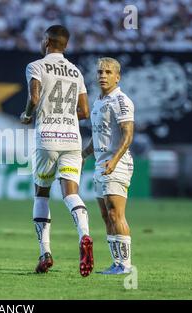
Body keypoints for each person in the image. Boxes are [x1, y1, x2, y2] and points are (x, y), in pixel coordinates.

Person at [20, 25, 93, 277]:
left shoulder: (36, 66)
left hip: (47, 138)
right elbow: (84, 111)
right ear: (66, 45)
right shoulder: (76, 71)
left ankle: (45, 253)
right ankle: (85, 235)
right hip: (73, 139)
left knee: (41, 193)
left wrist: (27, 115)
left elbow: (34, 98)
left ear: (47, 41)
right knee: (71, 193)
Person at [82, 57, 134, 274]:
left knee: (116, 214)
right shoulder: (99, 101)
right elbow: (98, 135)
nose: (103, 76)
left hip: (117, 164)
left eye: (108, 72)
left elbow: (128, 133)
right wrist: (84, 154)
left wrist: (114, 160)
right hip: (101, 164)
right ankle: (116, 263)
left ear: (117, 76)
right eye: (100, 72)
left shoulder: (121, 101)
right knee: (106, 216)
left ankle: (125, 265)